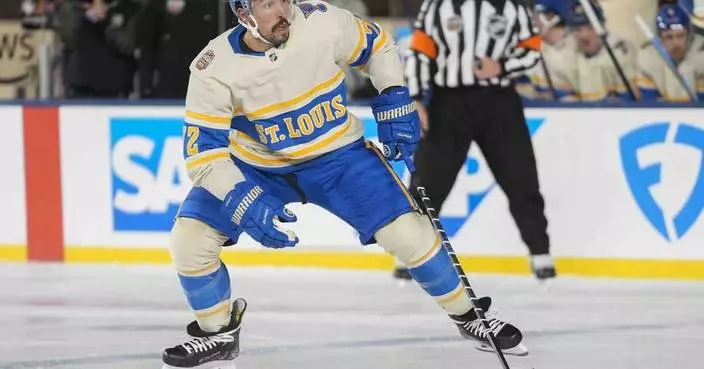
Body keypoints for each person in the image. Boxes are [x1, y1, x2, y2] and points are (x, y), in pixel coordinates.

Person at [160, 1, 527, 368]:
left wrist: (394, 94)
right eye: (269, 4)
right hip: (258, 167)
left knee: (409, 233)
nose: (284, 10)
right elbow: (203, 155)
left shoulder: (322, 21)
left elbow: (378, 45)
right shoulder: (214, 66)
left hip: (338, 157)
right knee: (189, 240)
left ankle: (469, 316)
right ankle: (217, 333)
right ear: (243, 14)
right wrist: (240, 196)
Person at [395, 0, 556, 281]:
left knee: (521, 176)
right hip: (448, 102)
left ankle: (540, 251)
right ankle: (412, 253)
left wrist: (502, 66)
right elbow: (421, 53)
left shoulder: (512, 7)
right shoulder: (437, 6)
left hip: (499, 102)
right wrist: (417, 98)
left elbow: (532, 49)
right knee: (427, 180)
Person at [561, 0, 638, 101]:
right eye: (577, 29)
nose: (584, 36)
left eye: (590, 27)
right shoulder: (570, 53)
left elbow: (634, 101)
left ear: (601, 26)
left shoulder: (620, 53)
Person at [637, 4, 704, 101]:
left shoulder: (701, 53)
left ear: (689, 35)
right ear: (659, 39)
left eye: (680, 36)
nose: (675, 43)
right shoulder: (648, 56)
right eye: (669, 37)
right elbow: (649, 105)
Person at [520, 0, 578, 101]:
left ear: (551, 17)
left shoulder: (576, 47)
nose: (533, 20)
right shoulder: (528, 46)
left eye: (537, 15)